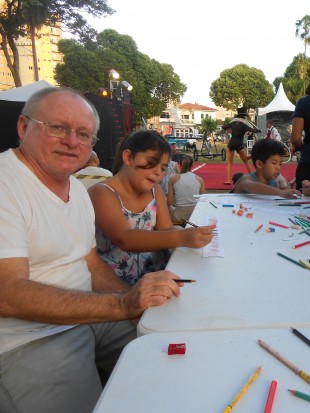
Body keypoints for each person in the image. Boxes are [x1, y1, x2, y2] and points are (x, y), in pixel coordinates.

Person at [0, 87, 184, 413]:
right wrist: (122, 305)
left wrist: (134, 303)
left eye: (83, 134)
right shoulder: (6, 184)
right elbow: (7, 293)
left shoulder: (77, 190)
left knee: (175, 357)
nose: (72, 141)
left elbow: (90, 263)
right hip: (27, 339)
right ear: (23, 127)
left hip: (91, 316)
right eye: (57, 127)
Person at [89, 130, 213, 286]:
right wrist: (183, 237)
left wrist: (194, 234)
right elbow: (125, 238)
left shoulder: (155, 190)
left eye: (162, 168)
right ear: (128, 157)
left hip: (158, 274)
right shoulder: (102, 192)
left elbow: (165, 229)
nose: (157, 172)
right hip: (120, 285)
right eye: (151, 162)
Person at [232, 138, 302, 199]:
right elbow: (253, 186)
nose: (278, 168)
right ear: (259, 164)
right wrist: (281, 192)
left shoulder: (273, 183)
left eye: (280, 164)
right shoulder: (246, 179)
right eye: (274, 163)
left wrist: (290, 192)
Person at [222, 107, 261, 185]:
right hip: (239, 144)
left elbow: (224, 127)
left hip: (231, 143)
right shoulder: (244, 123)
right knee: (246, 161)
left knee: (230, 163)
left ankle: (229, 180)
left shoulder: (233, 122)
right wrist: (258, 130)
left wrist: (228, 128)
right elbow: (252, 130)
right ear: (244, 116)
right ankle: (253, 178)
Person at [167, 154, 205, 225]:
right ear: (192, 165)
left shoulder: (173, 179)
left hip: (179, 216)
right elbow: (203, 200)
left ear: (179, 164)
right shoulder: (200, 179)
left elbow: (168, 202)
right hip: (194, 215)